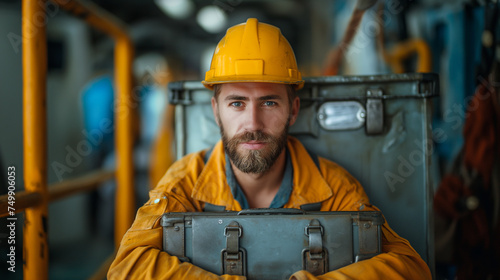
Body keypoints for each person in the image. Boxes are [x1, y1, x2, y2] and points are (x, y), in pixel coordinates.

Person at [108, 18, 431, 280]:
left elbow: (410, 267)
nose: (253, 122)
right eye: (237, 103)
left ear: (293, 110)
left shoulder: (333, 186)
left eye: (269, 102)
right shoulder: (186, 180)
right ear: (216, 110)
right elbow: (127, 267)